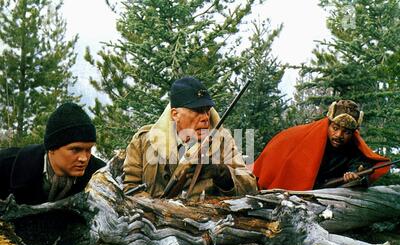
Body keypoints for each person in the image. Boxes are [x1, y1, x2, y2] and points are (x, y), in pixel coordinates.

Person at [123, 76, 258, 200]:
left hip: (204, 222)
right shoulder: (143, 140)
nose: (205, 117)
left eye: (207, 110)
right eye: (198, 110)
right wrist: (158, 208)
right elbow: (130, 189)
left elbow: (250, 188)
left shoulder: (222, 140)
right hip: (150, 222)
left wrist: (223, 174)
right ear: (175, 114)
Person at [253, 100, 390, 190]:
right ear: (328, 124)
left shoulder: (354, 149)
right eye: (335, 128)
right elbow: (276, 156)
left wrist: (356, 176)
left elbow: (361, 167)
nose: (339, 135)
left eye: (346, 132)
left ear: (353, 133)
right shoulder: (300, 137)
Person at [0, 102, 106, 205]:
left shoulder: (101, 176)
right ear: (52, 148)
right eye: (75, 150)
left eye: (88, 149)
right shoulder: (5, 166)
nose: (84, 158)